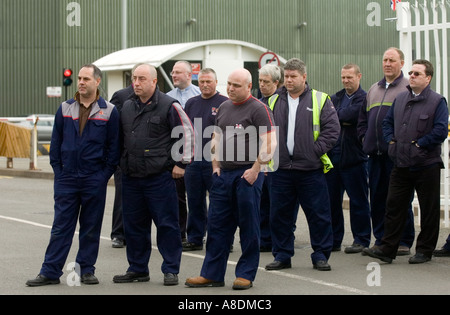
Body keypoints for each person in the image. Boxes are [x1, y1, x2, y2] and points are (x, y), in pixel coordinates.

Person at [26, 64, 120, 286]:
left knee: (91, 227)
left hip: (93, 178)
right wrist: (59, 172)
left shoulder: (109, 111)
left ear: (97, 82)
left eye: (86, 78)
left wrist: (103, 175)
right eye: (79, 78)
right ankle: (50, 272)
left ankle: (86, 270)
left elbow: (114, 148)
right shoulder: (65, 108)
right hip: (67, 178)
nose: (81, 82)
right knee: (61, 227)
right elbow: (56, 143)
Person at [185, 68, 277, 290]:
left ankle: (245, 274)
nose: (231, 88)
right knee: (217, 226)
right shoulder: (224, 107)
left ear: (248, 86)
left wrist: (255, 170)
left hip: (247, 175)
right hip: (223, 175)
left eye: (236, 85)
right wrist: (215, 165)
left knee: (248, 225)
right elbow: (216, 137)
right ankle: (212, 274)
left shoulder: (258, 108)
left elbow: (270, 143)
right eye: (229, 84)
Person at [113, 64, 194, 286]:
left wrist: (182, 164)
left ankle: (171, 269)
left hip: (159, 178)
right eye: (134, 79)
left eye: (141, 79)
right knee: (134, 225)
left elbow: (186, 134)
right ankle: (138, 269)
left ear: (154, 81)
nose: (136, 83)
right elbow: (119, 139)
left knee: (167, 225)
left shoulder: (170, 106)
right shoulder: (127, 106)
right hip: (131, 177)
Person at [364, 59, 448, 264]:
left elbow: (440, 130)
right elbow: (387, 122)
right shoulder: (401, 98)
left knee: (428, 209)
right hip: (400, 163)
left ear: (428, 78)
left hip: (426, 164)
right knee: (394, 206)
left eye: (417, 74)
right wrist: (391, 142)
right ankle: (387, 248)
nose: (411, 76)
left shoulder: (437, 101)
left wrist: (419, 145)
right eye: (410, 73)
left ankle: (424, 250)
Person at [264, 58, 340, 272]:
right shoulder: (272, 101)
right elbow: (263, 132)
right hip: (280, 170)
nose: (288, 80)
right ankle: (282, 255)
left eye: (293, 76)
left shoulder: (320, 99)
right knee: (279, 216)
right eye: (286, 76)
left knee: (318, 215)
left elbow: (332, 131)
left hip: (310, 170)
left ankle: (321, 256)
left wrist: (313, 152)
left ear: (304, 77)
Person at [357, 47, 415, 255]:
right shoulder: (374, 89)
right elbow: (362, 119)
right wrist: (364, 138)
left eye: (392, 60)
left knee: (400, 199)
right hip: (375, 155)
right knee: (378, 199)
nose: (387, 64)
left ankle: (404, 241)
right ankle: (381, 240)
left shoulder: (408, 89)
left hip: (397, 157)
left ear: (401, 63)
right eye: (385, 60)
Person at [326, 64, 371, 253]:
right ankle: (334, 240)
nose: (345, 81)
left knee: (358, 201)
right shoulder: (336, 98)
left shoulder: (364, 98)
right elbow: (327, 118)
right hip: (334, 157)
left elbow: (351, 116)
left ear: (359, 76)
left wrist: (338, 117)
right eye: (343, 77)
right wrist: (339, 118)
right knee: (332, 201)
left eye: (349, 77)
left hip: (355, 158)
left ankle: (361, 239)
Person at [182, 68, 228, 251]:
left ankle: (223, 238)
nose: (205, 85)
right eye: (201, 81)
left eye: (208, 81)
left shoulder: (225, 103)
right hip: (194, 161)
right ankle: (194, 237)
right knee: (194, 201)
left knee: (219, 202)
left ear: (216, 82)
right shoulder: (191, 103)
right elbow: (185, 130)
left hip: (215, 162)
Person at [167, 61, 201, 243]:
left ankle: (198, 232)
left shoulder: (199, 95)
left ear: (189, 75)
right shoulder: (168, 97)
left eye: (178, 72)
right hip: (176, 153)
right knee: (177, 197)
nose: (174, 75)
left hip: (198, 154)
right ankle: (180, 233)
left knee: (197, 198)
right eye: (173, 72)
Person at [258, 64, 283, 252]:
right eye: (260, 81)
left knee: (278, 205)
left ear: (276, 82)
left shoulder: (281, 103)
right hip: (261, 162)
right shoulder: (259, 102)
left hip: (278, 163)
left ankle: (277, 238)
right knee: (262, 203)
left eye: (266, 82)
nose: (262, 85)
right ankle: (264, 239)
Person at [109, 84, 134, 248]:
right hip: (123, 157)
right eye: (136, 77)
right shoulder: (121, 96)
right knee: (122, 197)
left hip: (147, 160)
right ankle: (118, 234)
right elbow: (112, 127)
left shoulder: (159, 97)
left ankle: (134, 234)